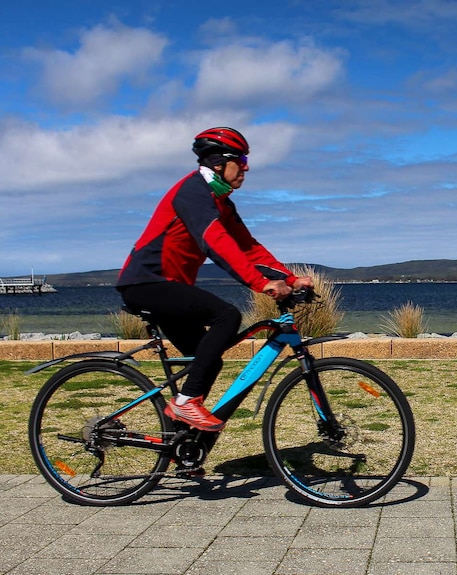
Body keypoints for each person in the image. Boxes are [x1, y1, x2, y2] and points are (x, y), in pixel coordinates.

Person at [117, 126, 313, 432]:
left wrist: (289, 277)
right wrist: (260, 283)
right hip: (145, 283)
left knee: (208, 361)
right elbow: (215, 241)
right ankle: (186, 402)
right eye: (241, 159)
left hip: (170, 287)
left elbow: (248, 247)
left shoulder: (221, 201)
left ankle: (181, 447)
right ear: (218, 163)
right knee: (227, 315)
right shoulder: (193, 192)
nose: (246, 167)